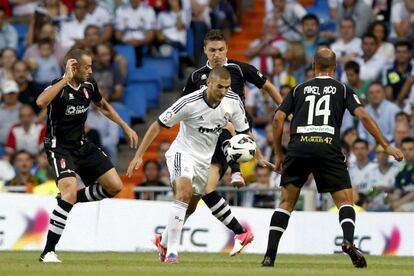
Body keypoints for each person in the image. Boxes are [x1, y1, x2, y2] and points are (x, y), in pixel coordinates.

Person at [262, 48, 404, 268]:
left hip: (299, 146)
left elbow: (278, 119)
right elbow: (363, 116)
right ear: (335, 68)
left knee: (286, 203)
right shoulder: (342, 88)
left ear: (313, 67)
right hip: (327, 145)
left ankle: (269, 257)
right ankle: (348, 240)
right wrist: (385, 145)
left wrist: (280, 154)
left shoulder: (298, 89)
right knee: (345, 201)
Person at [127, 67, 270, 263]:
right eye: (219, 87)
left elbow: (244, 131)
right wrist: (139, 155)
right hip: (182, 153)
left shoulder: (233, 101)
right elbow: (157, 125)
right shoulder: (189, 102)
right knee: (183, 192)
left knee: (190, 206)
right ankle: (172, 253)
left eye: (227, 87)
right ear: (208, 83)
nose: (223, 91)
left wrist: (259, 155)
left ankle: (164, 242)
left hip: (204, 160)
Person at [182, 29, 282, 252]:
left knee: (225, 119)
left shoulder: (237, 68)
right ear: (205, 51)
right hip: (205, 140)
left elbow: (267, 86)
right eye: (212, 50)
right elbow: (184, 106)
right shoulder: (197, 76)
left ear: (227, 49)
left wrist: (286, 110)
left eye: (220, 50)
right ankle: (169, 235)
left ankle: (235, 170)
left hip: (236, 132)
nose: (216, 54)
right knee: (197, 194)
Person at [37, 48, 138, 263]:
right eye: (87, 67)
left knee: (115, 186)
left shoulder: (89, 85)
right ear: (74, 67)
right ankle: (48, 252)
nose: (91, 70)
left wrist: (124, 126)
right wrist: (65, 79)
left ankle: (68, 198)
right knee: (69, 193)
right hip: (59, 147)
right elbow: (40, 102)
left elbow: (103, 105)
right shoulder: (58, 86)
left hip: (82, 145)